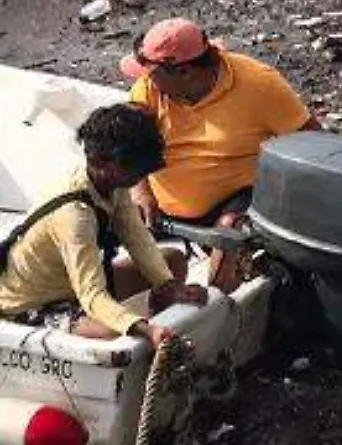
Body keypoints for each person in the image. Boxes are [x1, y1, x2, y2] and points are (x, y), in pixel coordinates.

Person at [124, 19, 319, 293]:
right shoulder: (148, 89)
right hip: (162, 210)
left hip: (236, 198)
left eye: (153, 73)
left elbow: (313, 143)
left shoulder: (258, 84)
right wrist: (142, 193)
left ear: (184, 71)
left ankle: (224, 311)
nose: (146, 79)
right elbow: (128, 144)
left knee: (230, 235)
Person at [0, 105, 205, 346]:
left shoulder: (112, 183)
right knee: (112, 334)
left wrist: (168, 287)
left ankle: (162, 344)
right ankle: (152, 337)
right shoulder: (74, 215)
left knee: (172, 261)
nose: (140, 178)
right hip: (34, 303)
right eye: (135, 170)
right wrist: (140, 327)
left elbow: (138, 240)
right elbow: (91, 294)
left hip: (73, 285)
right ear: (99, 161)